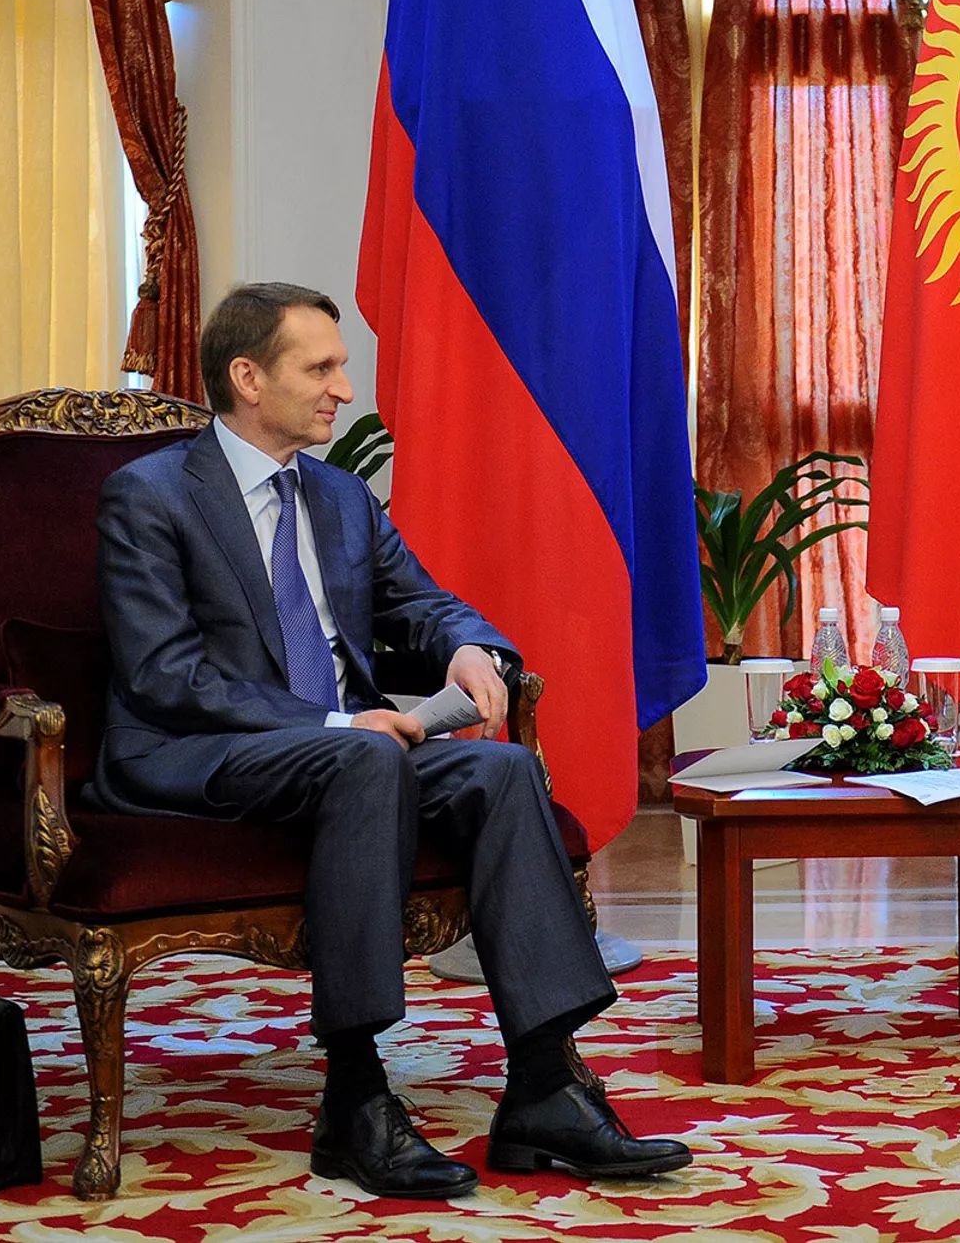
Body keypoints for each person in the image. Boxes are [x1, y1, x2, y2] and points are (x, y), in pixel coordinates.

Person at [94, 282, 691, 1198]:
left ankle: (545, 1083)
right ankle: (356, 1097)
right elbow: (164, 675)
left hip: (350, 753)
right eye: (321, 368)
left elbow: (419, 600)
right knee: (369, 751)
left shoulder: (338, 496)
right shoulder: (150, 495)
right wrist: (336, 722)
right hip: (202, 751)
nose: (343, 387)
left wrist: (466, 647)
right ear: (248, 377)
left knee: (500, 770)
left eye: (341, 366)